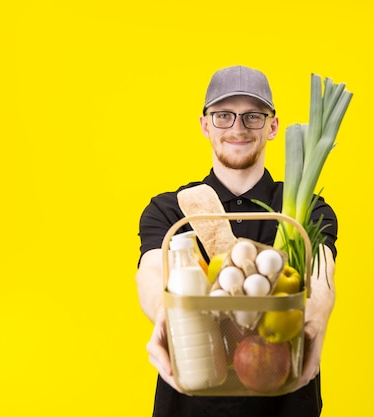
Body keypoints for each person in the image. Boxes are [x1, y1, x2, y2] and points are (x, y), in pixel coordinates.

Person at [135, 65, 338, 417]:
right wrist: (162, 317)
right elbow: (151, 271)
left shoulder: (304, 210)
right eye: (223, 116)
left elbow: (321, 275)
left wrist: (315, 322)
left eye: (253, 117)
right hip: (190, 404)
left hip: (287, 402)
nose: (238, 128)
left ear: (272, 126)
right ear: (205, 125)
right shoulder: (170, 210)